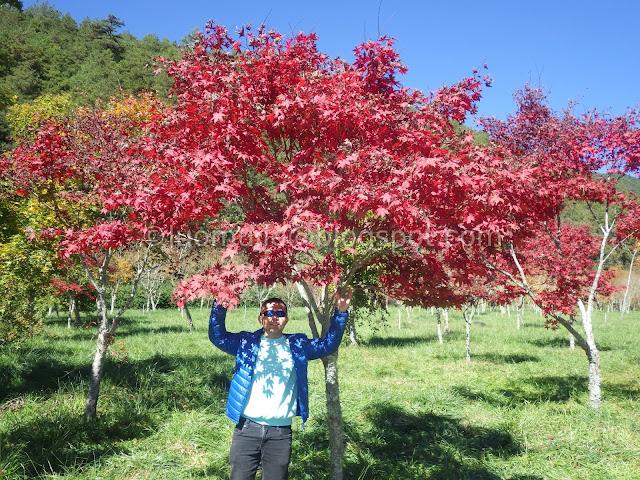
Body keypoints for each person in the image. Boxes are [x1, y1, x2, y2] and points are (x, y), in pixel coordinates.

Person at [209, 291, 351, 480]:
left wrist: (340, 312)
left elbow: (328, 345)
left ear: (286, 319)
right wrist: (220, 304)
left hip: (280, 432)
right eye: (268, 313)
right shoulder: (246, 343)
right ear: (261, 318)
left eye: (280, 313)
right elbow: (217, 336)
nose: (274, 317)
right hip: (246, 428)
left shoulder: (297, 345)